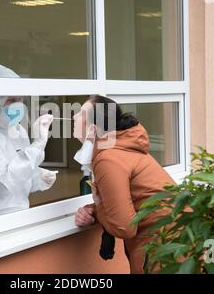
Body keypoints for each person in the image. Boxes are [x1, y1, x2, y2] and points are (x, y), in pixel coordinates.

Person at [73, 95, 174, 274]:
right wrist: (95, 210)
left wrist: (99, 205)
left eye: (80, 114)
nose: (73, 117)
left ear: (93, 130)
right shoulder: (117, 149)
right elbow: (132, 199)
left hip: (164, 251)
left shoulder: (108, 158)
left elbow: (125, 227)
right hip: (171, 242)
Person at [0, 63, 58, 217]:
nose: (17, 105)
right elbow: (6, 180)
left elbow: (20, 175)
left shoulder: (17, 129)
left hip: (21, 212)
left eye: (20, 99)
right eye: (11, 99)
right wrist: (37, 145)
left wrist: (38, 177)